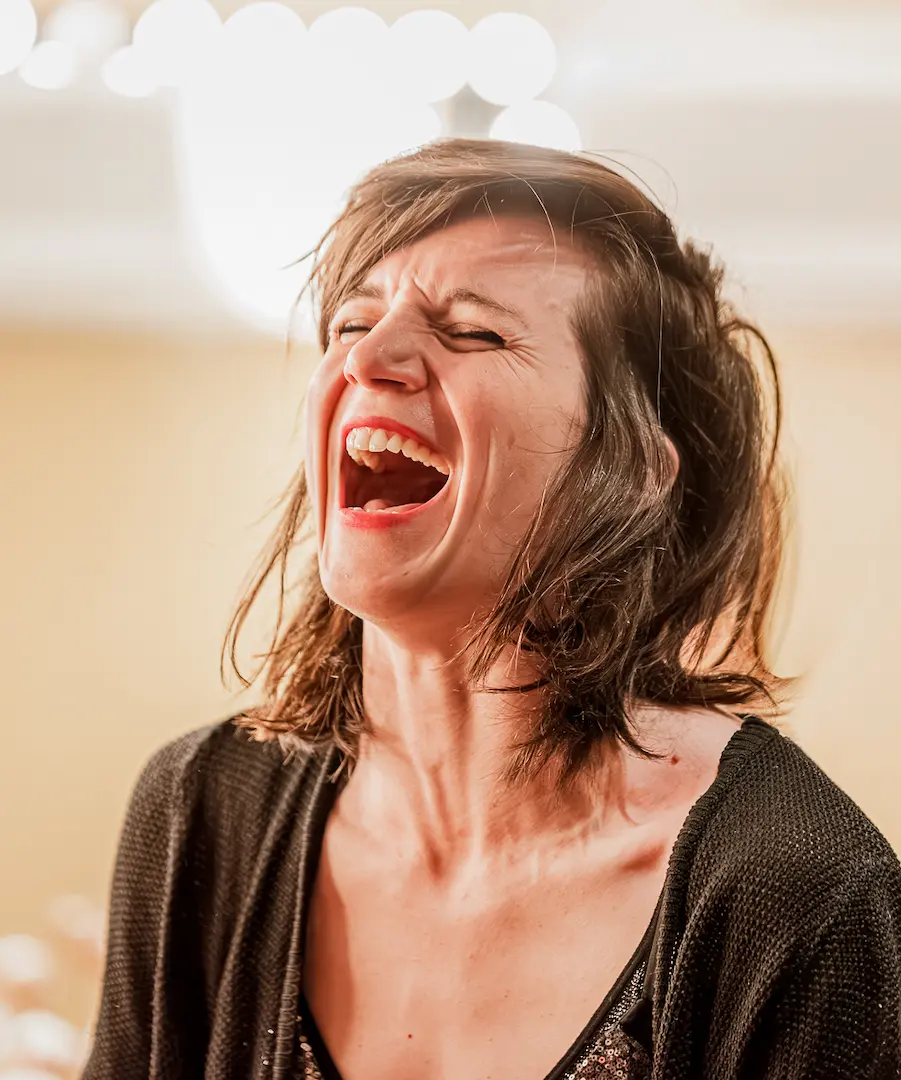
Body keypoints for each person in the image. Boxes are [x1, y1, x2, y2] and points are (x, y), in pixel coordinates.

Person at [82, 139, 901, 1080]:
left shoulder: (794, 893)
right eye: (349, 324)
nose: (372, 359)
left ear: (631, 472)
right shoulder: (202, 812)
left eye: (472, 332)